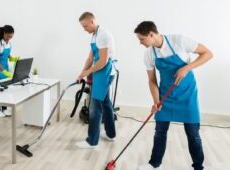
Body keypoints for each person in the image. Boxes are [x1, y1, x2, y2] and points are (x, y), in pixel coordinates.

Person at [134, 21, 213, 170]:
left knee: (193, 133)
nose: (140, 43)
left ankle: (198, 166)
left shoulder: (179, 41)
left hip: (187, 94)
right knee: (160, 131)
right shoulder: (149, 54)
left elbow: (208, 53)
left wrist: (187, 68)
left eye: (142, 39)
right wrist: (156, 101)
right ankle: (154, 164)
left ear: (151, 34)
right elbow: (152, 81)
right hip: (166, 96)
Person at [76, 12, 117, 149]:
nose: (84, 29)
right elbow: (90, 58)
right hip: (99, 72)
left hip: (105, 72)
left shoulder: (103, 35)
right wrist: (82, 73)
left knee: (95, 107)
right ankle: (111, 134)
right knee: (105, 103)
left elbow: (103, 61)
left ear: (92, 21)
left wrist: (88, 72)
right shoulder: (95, 35)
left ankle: (92, 141)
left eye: (85, 26)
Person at [0, 25, 18, 117]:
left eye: (11, 36)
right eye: (8, 36)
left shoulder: (9, 43)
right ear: (4, 34)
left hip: (4, 66)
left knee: (6, 88)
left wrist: (13, 58)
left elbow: (7, 55)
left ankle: (4, 109)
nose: (9, 38)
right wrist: (2, 71)